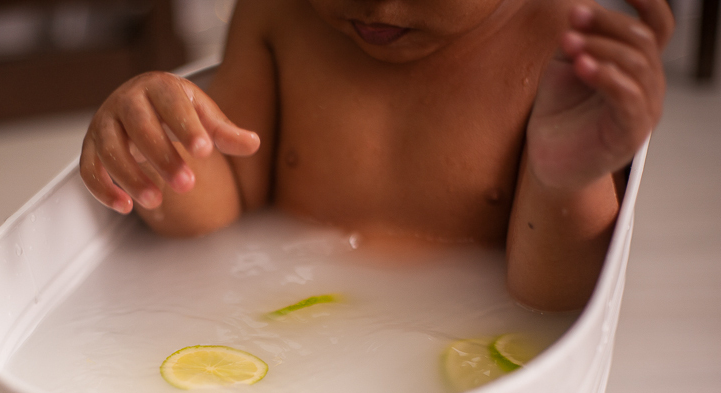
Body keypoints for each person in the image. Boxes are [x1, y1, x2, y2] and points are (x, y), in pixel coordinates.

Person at [78, 0, 672, 311]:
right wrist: (159, 141)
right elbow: (222, 199)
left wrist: (569, 178)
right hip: (273, 327)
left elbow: (553, 306)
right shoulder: (279, 15)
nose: (376, 3)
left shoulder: (562, 47)